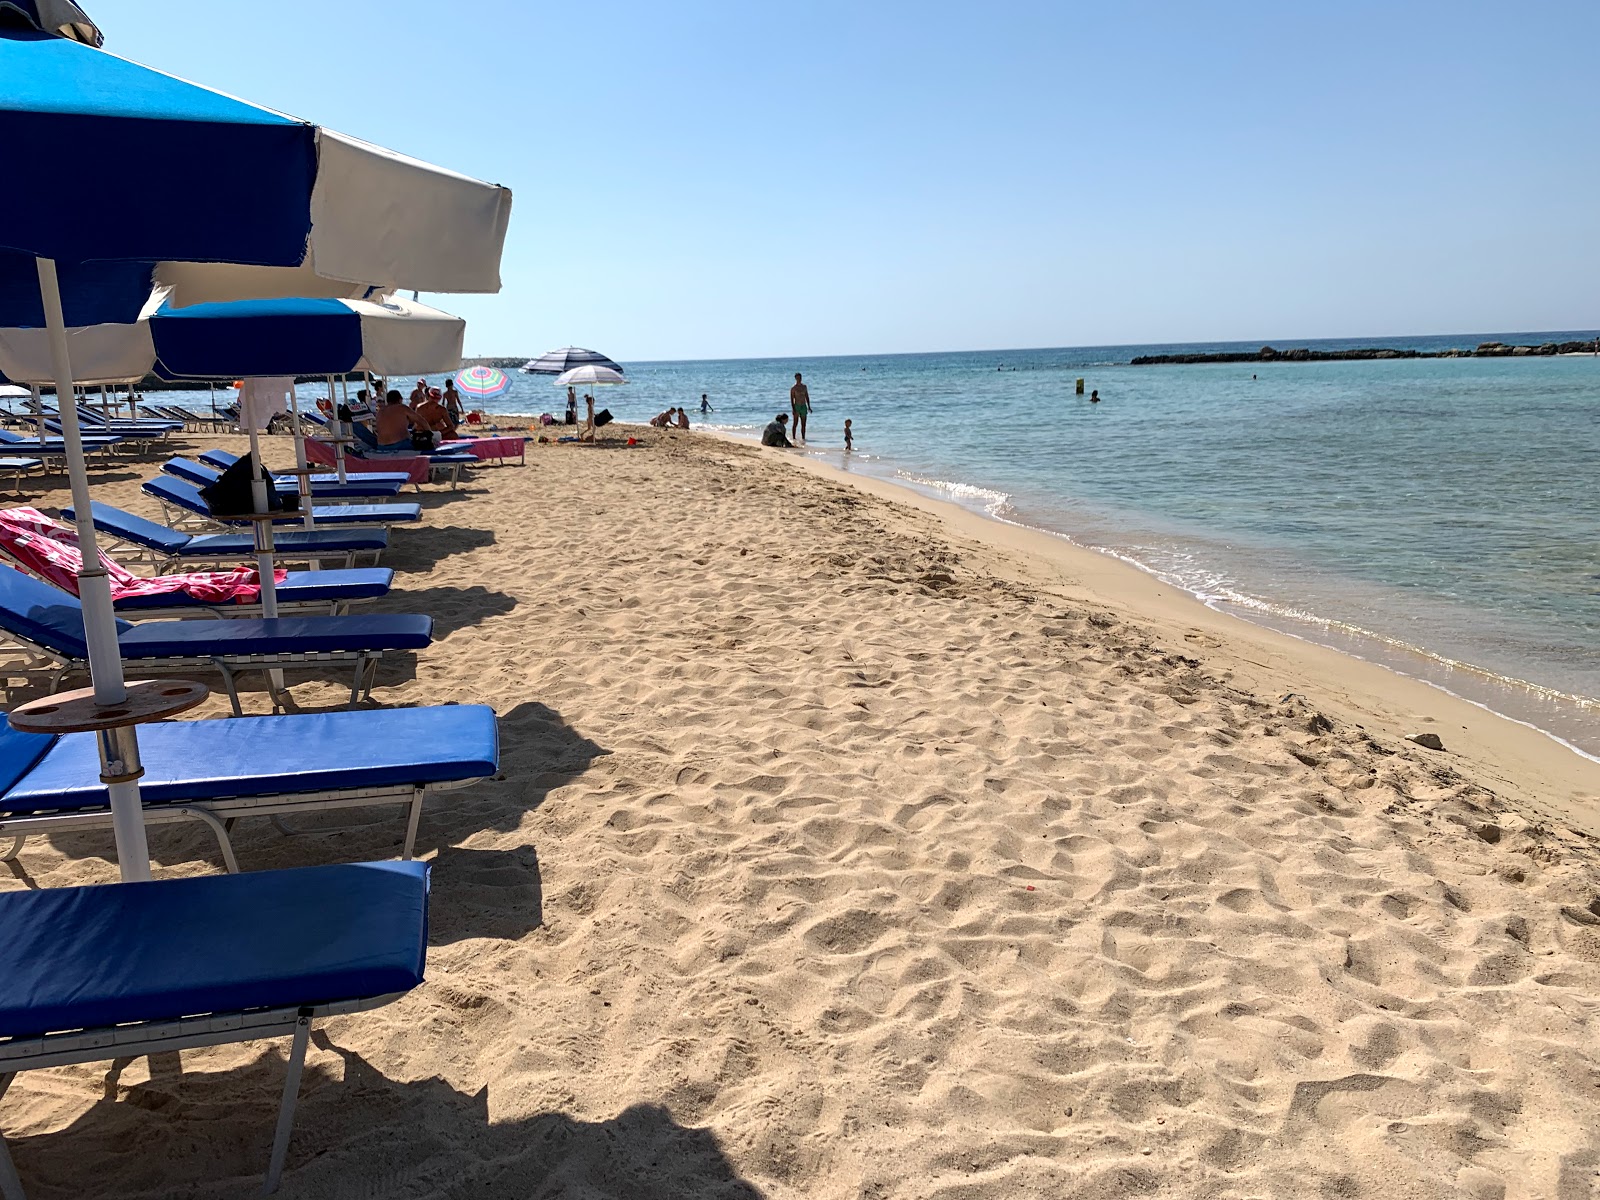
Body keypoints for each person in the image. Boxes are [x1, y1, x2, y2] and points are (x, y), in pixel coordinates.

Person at [789, 372, 811, 441]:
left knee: (803, 424)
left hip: (803, 406)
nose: (799, 379)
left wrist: (809, 406)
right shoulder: (793, 388)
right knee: (795, 423)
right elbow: (792, 399)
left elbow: (807, 396)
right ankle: (794, 438)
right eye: (798, 378)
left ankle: (803, 438)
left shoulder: (804, 387)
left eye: (800, 378)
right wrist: (793, 409)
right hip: (797, 406)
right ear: (795, 378)